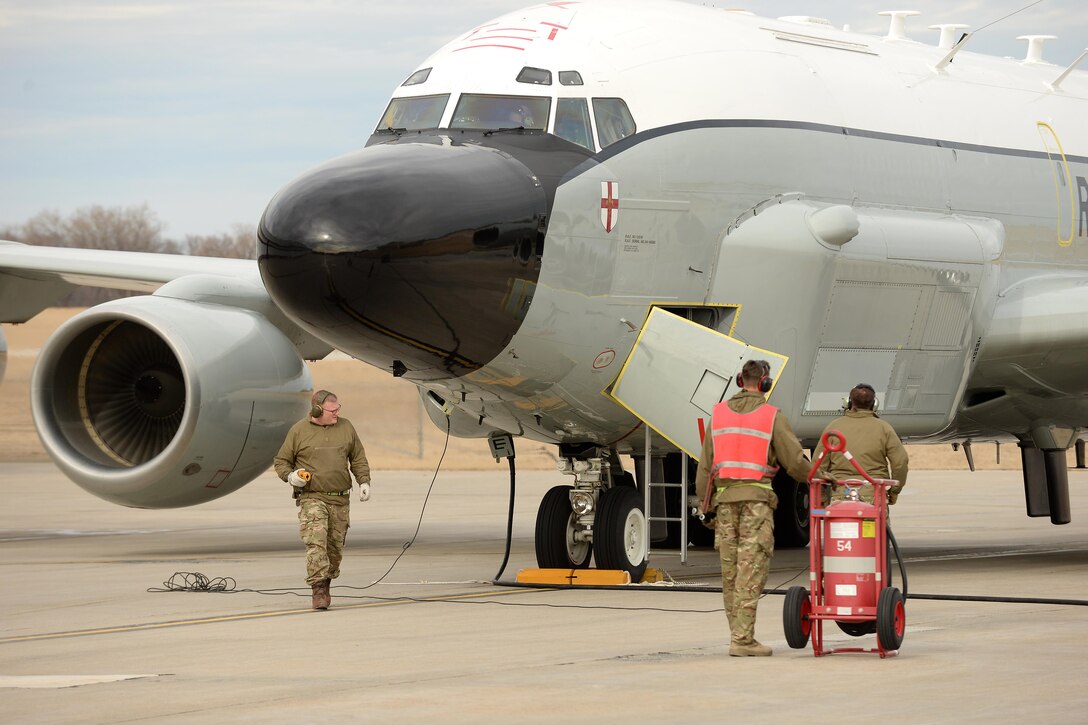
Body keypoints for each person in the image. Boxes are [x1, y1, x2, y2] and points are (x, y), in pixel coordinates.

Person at [694, 360, 811, 657]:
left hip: (724, 503)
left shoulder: (718, 414)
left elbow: (705, 467)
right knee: (751, 570)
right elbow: (795, 461)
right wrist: (818, 477)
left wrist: (705, 505)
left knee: (731, 572)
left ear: (739, 380)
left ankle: (739, 634)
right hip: (755, 505)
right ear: (765, 383)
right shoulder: (771, 416)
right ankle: (742, 639)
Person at [274, 390, 371, 610]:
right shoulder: (299, 431)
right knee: (316, 543)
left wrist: (363, 481)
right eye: (332, 410)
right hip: (312, 498)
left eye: (338, 408)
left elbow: (358, 457)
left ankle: (326, 583)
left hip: (340, 499)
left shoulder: (346, 427)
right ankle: (318, 591)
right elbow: (281, 462)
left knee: (334, 550)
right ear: (317, 410)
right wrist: (291, 476)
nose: (337, 412)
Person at [814, 383, 909, 506]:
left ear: (848, 402)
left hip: (840, 496)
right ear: (874, 404)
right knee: (881, 525)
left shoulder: (833, 428)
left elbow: (816, 466)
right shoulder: (884, 428)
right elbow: (900, 462)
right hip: (874, 495)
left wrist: (821, 496)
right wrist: (895, 491)